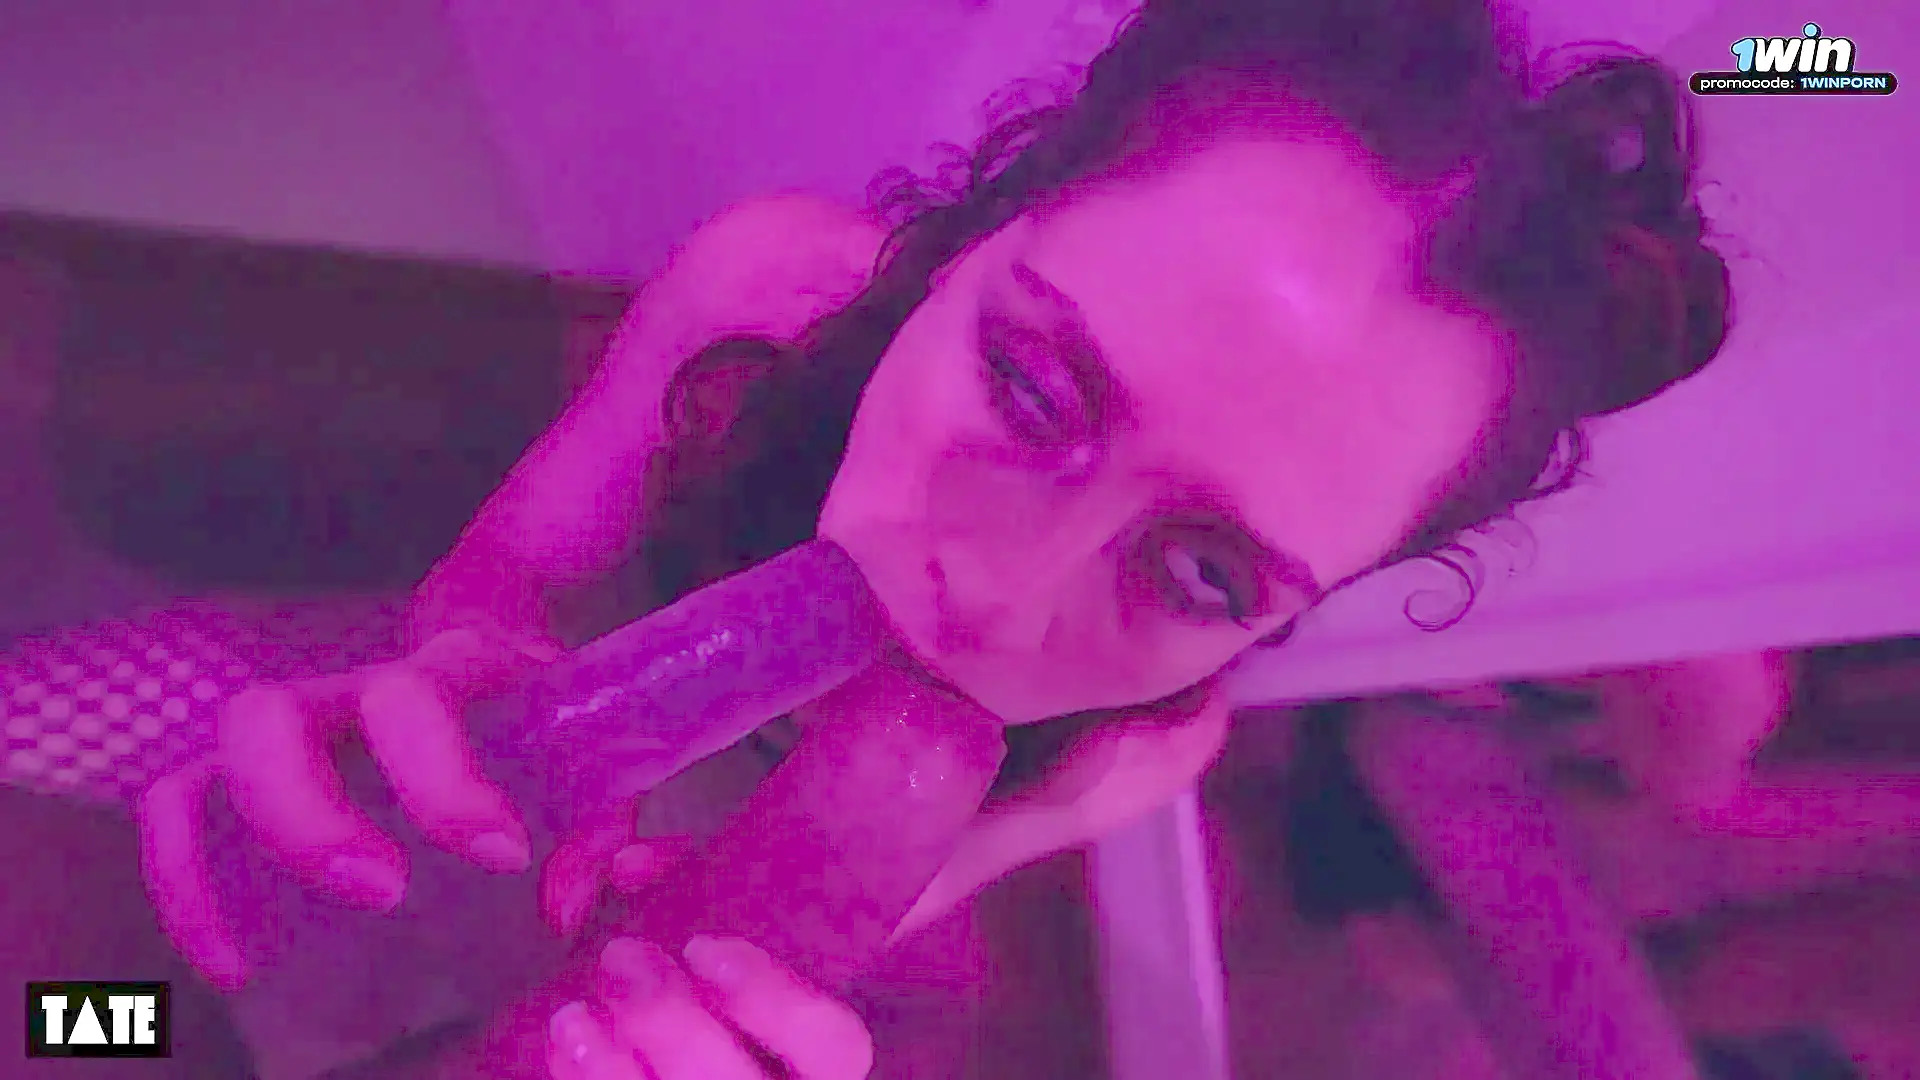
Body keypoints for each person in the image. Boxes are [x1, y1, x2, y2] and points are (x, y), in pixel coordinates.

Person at [2, 0, 1738, 1074]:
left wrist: (670, 996)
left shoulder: (1139, 747)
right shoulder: (766, 292)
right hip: (468, 745)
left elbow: (876, 917)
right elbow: (511, 570)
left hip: (594, 950)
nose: (993, 595)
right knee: (54, 908)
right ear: (987, 222)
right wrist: (472, 658)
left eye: (1205, 572)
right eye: (1036, 388)